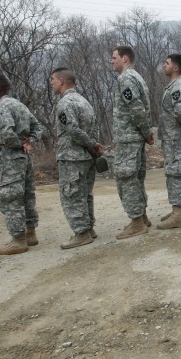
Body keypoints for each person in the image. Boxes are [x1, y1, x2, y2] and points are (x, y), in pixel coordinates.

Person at [0, 74, 43, 255]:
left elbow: (6, 134)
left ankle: (18, 239)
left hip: (8, 157)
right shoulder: (19, 105)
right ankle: (30, 233)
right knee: (26, 194)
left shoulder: (2, 107)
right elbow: (37, 126)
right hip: (23, 157)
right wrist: (29, 142)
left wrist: (19, 143)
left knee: (9, 197)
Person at [51, 67, 104, 248]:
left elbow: (72, 129)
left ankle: (81, 233)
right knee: (84, 193)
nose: (51, 83)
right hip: (87, 157)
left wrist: (90, 143)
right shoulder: (84, 101)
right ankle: (89, 228)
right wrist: (93, 145)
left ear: (62, 81)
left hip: (72, 157)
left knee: (72, 194)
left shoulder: (65, 103)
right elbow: (95, 126)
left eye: (53, 79)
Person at [111, 45, 153, 238]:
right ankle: (142, 217)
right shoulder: (136, 77)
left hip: (129, 138)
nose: (112, 61)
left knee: (126, 179)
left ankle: (136, 222)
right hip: (134, 137)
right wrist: (146, 132)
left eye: (114, 58)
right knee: (135, 178)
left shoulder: (126, 78)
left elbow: (136, 108)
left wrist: (146, 131)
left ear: (125, 58)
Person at [157, 53, 181, 229]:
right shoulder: (172, 86)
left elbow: (180, 112)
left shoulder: (178, 86)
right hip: (170, 136)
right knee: (173, 171)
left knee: (176, 172)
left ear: (175, 68)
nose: (164, 65)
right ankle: (179, 210)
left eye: (167, 63)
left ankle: (178, 213)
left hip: (175, 137)